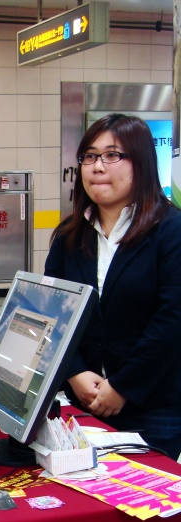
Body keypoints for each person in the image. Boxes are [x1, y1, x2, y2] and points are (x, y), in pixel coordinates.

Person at [44, 113, 181, 460]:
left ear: (143, 164)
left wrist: (122, 386)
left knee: (141, 506)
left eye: (112, 155)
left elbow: (172, 320)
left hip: (154, 405)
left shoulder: (170, 230)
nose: (97, 167)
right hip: (82, 400)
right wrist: (74, 371)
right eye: (89, 156)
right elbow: (52, 311)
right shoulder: (69, 235)